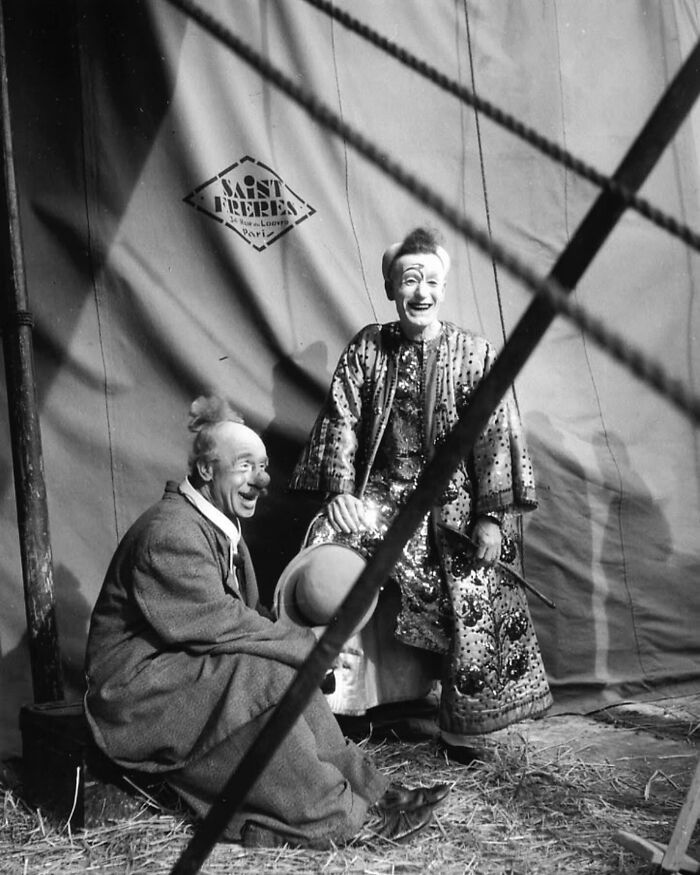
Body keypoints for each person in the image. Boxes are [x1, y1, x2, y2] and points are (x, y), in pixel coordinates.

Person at [84, 395, 449, 848]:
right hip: (136, 694)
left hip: (177, 665)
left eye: (263, 466)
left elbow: (240, 621)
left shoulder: (216, 526)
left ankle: (372, 793)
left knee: (283, 671)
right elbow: (220, 625)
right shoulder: (171, 532)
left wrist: (303, 656)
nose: (261, 480)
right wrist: (308, 651)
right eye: (245, 466)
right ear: (205, 471)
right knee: (264, 677)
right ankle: (339, 819)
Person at [289, 227, 552, 761]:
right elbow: (343, 418)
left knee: (476, 577)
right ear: (392, 287)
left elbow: (496, 436)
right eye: (410, 280)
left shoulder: (473, 353)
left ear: (444, 287)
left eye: (431, 281)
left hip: (452, 507)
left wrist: (491, 517)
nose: (421, 292)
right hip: (380, 498)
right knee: (331, 545)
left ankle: (464, 727)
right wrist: (339, 490)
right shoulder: (368, 346)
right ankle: (346, 708)